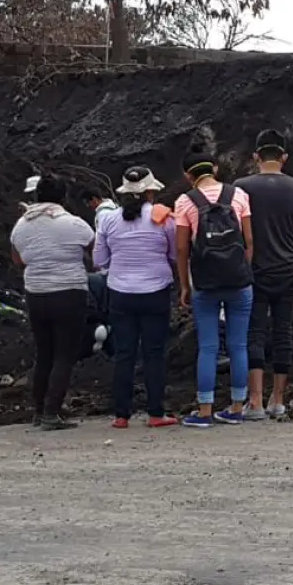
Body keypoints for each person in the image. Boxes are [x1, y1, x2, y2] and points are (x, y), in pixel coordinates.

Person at [235, 130, 293, 419]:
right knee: (283, 332)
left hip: (253, 270)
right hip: (287, 269)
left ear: (256, 156)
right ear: (284, 157)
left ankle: (254, 402)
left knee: (253, 332)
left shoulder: (241, 187)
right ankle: (277, 400)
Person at [93, 166, 181, 429]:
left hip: (120, 293)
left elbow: (99, 260)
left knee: (124, 354)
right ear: (150, 191)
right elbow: (175, 255)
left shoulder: (108, 219)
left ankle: (121, 415)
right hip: (155, 292)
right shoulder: (164, 218)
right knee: (154, 354)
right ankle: (156, 412)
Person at [173, 150, 254, 428]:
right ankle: (236, 407)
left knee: (208, 347)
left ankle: (205, 411)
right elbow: (249, 240)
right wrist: (242, 270)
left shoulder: (185, 202)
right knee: (239, 345)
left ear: (188, 175)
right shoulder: (239, 195)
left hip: (205, 285)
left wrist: (185, 285)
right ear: (215, 169)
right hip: (239, 282)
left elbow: (182, 249)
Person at [10, 176, 94, 430]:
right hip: (69, 292)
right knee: (64, 355)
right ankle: (51, 412)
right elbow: (96, 253)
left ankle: (38, 411)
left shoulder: (20, 226)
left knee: (44, 353)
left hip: (35, 293)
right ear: (63, 197)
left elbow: (17, 260)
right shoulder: (74, 224)